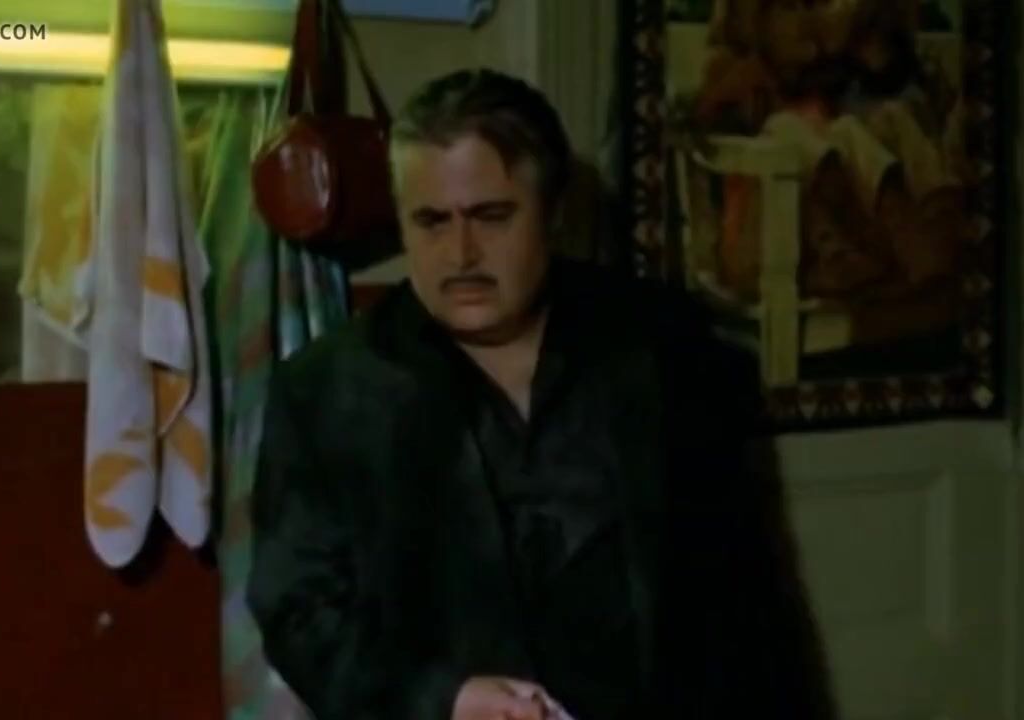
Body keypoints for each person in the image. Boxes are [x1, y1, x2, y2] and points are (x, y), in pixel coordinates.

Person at [247, 68, 831, 720]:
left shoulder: (668, 353)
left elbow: (749, 602)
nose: (460, 253)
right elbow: (297, 611)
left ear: (551, 214)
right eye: (431, 221)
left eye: (491, 216)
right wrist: (444, 699)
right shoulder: (327, 392)